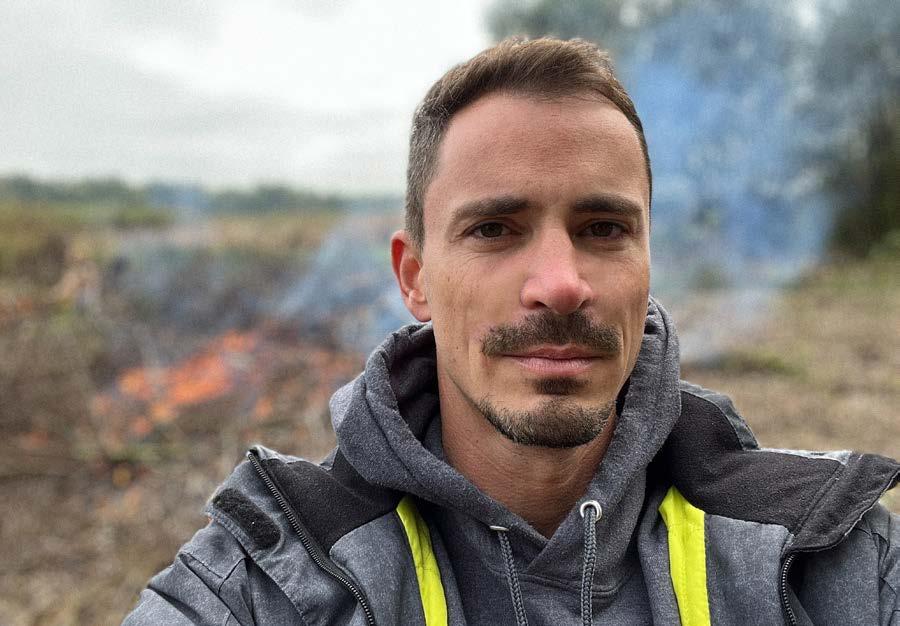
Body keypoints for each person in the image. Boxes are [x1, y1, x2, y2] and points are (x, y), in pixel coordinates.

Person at [124, 37, 898, 625]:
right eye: (494, 229)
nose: (560, 283)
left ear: (648, 261)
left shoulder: (822, 556)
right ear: (415, 277)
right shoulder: (273, 579)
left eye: (603, 229)